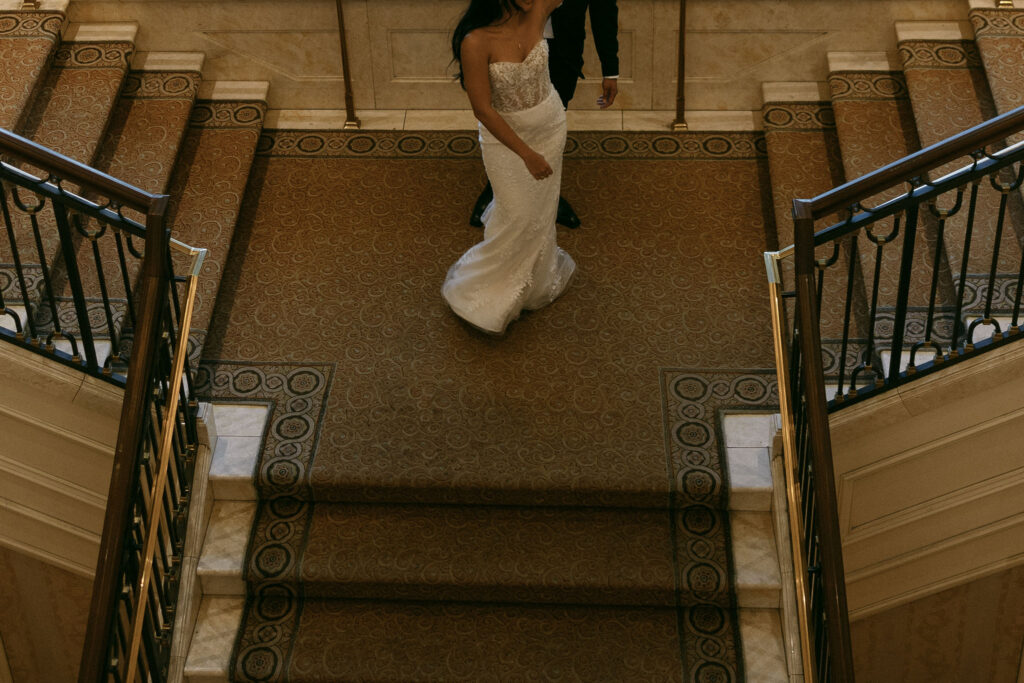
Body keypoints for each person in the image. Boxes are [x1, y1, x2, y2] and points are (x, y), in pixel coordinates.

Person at [442, 0, 576, 335]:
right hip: (507, 141)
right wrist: (526, 154)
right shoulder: (475, 41)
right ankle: (489, 286)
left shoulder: (538, 9)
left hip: (550, 127)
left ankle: (536, 278)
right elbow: (483, 110)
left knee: (541, 211)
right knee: (517, 214)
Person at [468, 0, 620, 230]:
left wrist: (610, 69)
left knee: (549, 123)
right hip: (503, 42)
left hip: (563, 51)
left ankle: (549, 193)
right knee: (505, 114)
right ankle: (497, 187)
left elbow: (603, 7)